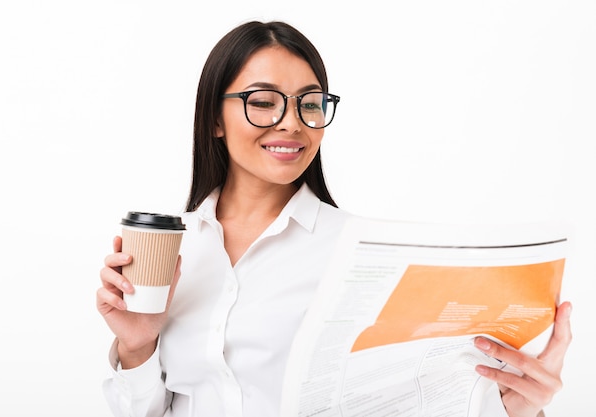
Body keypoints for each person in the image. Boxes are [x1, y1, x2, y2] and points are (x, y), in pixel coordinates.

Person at [97, 20, 572, 417]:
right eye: (262, 102)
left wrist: (514, 407)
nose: (291, 123)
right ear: (215, 120)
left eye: (309, 103)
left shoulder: (365, 254)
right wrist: (138, 348)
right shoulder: (174, 252)